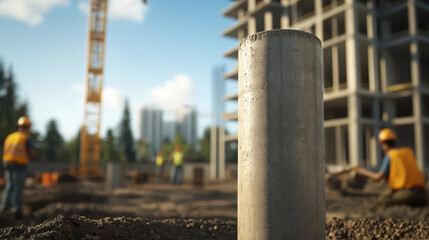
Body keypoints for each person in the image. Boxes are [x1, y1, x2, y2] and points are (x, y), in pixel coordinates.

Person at [355, 128, 427, 206]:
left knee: (382, 200)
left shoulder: (390, 156)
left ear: (383, 144)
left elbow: (377, 177)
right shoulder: (408, 152)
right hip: (423, 195)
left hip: (407, 194)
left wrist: (360, 170)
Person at [0, 116, 35, 219]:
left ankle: (3, 208)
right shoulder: (25, 138)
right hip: (18, 165)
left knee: (9, 185)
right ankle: (16, 210)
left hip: (7, 163)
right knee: (18, 186)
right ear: (28, 127)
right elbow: (32, 152)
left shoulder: (10, 136)